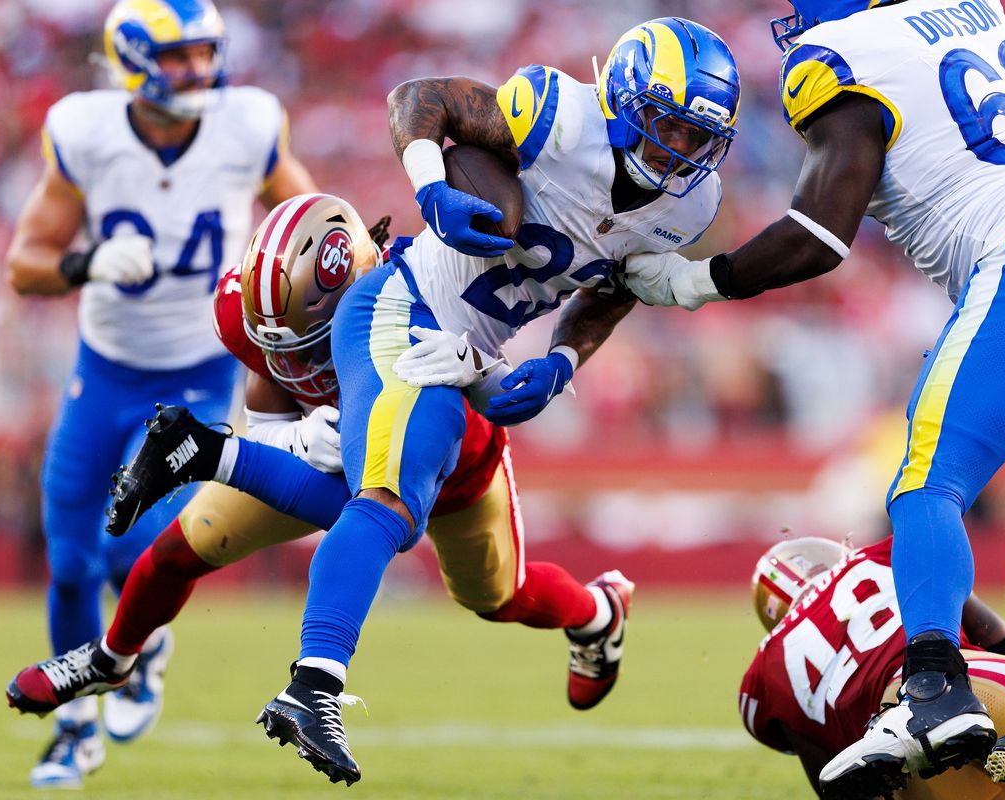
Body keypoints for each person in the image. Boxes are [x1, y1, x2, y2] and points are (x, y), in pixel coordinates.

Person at [621, 0, 1005, 794]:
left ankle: (934, 689)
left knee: (923, 483)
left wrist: (698, 281)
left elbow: (820, 233)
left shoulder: (834, 53)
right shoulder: (972, 10)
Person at [219, 17, 739, 785]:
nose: (681, 153)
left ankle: (594, 614)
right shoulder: (558, 112)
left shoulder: (690, 204)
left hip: (472, 355)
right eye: (669, 125)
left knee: (484, 585)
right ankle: (312, 687)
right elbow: (419, 98)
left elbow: (616, 284)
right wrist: (431, 185)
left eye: (700, 139)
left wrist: (562, 360)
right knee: (387, 500)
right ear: (627, 99)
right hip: (400, 309)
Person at [7, 194, 635, 741]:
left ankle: (597, 614)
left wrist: (476, 365)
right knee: (182, 548)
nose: (304, 368)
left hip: (445, 471)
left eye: (318, 345)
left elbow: (388, 505)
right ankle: (113, 658)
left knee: (498, 595)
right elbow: (271, 406)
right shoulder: (256, 312)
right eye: (286, 347)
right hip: (328, 463)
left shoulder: (420, 304)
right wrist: (295, 437)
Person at [3, 0, 316, 788]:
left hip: (203, 367)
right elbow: (23, 263)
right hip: (105, 366)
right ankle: (76, 729)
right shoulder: (89, 132)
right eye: (178, 57)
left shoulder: (247, 123)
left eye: (205, 52)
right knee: (71, 559)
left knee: (123, 548)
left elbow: (308, 219)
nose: (198, 71)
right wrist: (90, 262)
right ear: (135, 62)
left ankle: (140, 649)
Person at [741, 536, 1005, 800]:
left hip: (892, 752)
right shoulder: (879, 554)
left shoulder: (763, 673)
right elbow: (984, 623)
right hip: (937, 688)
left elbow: (829, 776)